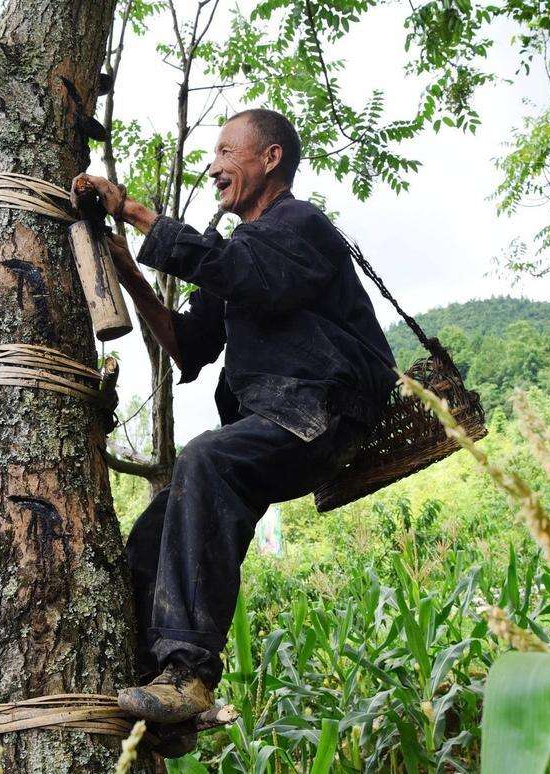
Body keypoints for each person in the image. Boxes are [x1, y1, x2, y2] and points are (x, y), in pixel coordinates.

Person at [70, 108, 397, 727]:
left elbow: (242, 273)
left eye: (226, 152)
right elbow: (189, 347)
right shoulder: (241, 255)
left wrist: (135, 211)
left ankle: (191, 671)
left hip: (321, 410)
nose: (214, 166)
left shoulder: (297, 226)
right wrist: (128, 269)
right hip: (275, 421)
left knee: (206, 458)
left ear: (270, 158)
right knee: (158, 526)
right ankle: (159, 692)